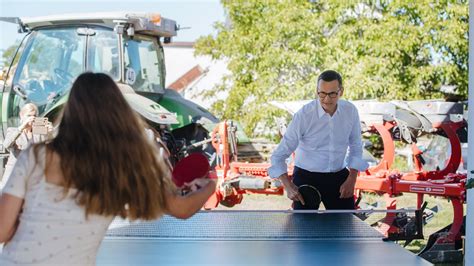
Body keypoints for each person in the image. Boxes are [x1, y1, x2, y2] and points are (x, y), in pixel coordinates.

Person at [0, 72, 216, 265]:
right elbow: (181, 208)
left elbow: (2, 231)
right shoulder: (120, 169)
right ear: (119, 114)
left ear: (70, 112)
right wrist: (210, 186)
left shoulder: (35, 156)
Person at [268, 70, 368, 210]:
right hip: (306, 177)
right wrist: (288, 185)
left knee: (345, 228)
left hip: (339, 177)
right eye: (322, 94)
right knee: (303, 229)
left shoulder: (350, 111)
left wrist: (352, 179)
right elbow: (278, 155)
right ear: (317, 91)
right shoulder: (304, 115)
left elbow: (356, 146)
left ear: (341, 92)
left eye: (332, 94)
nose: (327, 99)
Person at [1, 103, 46, 189]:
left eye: (34, 116)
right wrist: (21, 127)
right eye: (29, 115)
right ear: (21, 116)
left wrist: (50, 133)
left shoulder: (39, 132)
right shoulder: (13, 131)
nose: (32, 118)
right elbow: (6, 145)